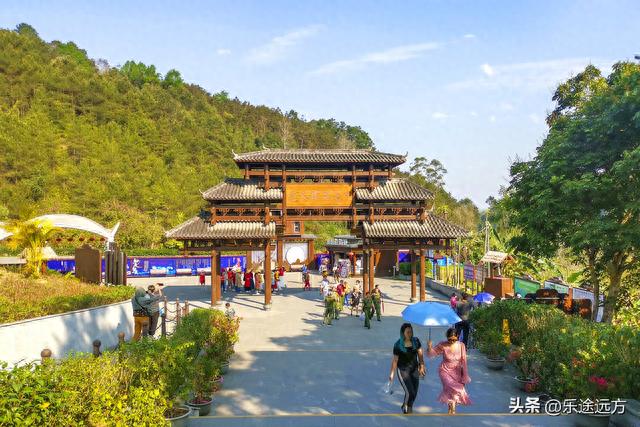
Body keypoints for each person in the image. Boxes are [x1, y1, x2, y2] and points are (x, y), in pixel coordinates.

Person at [427, 328, 472, 415]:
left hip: (457, 371)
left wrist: (465, 375)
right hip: (445, 370)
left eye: (454, 339)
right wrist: (429, 347)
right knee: (450, 386)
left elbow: (464, 361)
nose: (452, 341)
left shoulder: (461, 345)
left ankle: (451, 408)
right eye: (450, 339)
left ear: (457, 337)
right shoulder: (443, 344)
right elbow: (432, 354)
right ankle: (453, 408)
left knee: (452, 391)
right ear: (447, 337)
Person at [389, 323, 426, 414]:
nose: (410, 334)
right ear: (403, 333)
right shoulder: (398, 345)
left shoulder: (416, 341)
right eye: (408, 332)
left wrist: (422, 365)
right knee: (410, 392)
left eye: (411, 331)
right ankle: (405, 406)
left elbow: (420, 353)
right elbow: (395, 360)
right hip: (403, 370)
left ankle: (409, 405)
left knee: (415, 392)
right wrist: (392, 373)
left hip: (414, 369)